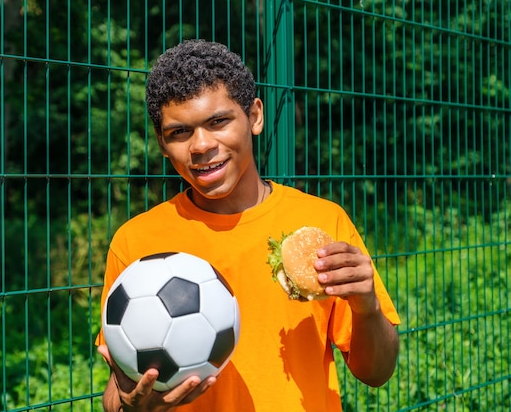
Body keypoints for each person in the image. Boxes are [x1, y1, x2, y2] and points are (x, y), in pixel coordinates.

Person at [96, 39, 400, 412]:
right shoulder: (137, 241)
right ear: (162, 142)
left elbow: (377, 372)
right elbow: (118, 391)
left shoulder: (321, 223)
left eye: (218, 121)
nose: (201, 145)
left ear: (255, 116)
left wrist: (366, 307)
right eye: (180, 132)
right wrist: (131, 405)